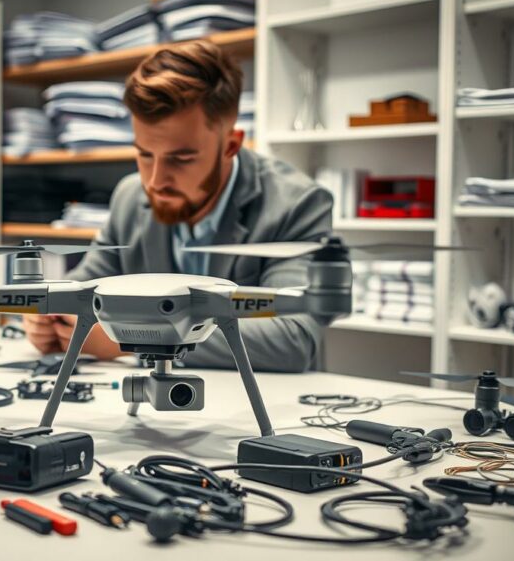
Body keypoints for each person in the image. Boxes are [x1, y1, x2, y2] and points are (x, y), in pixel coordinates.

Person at [23, 40, 333, 372]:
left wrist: (129, 341)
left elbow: (293, 338)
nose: (155, 181)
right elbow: (82, 291)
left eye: (181, 159)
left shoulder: (298, 204)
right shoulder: (130, 196)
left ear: (230, 146)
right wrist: (50, 316)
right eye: (144, 154)